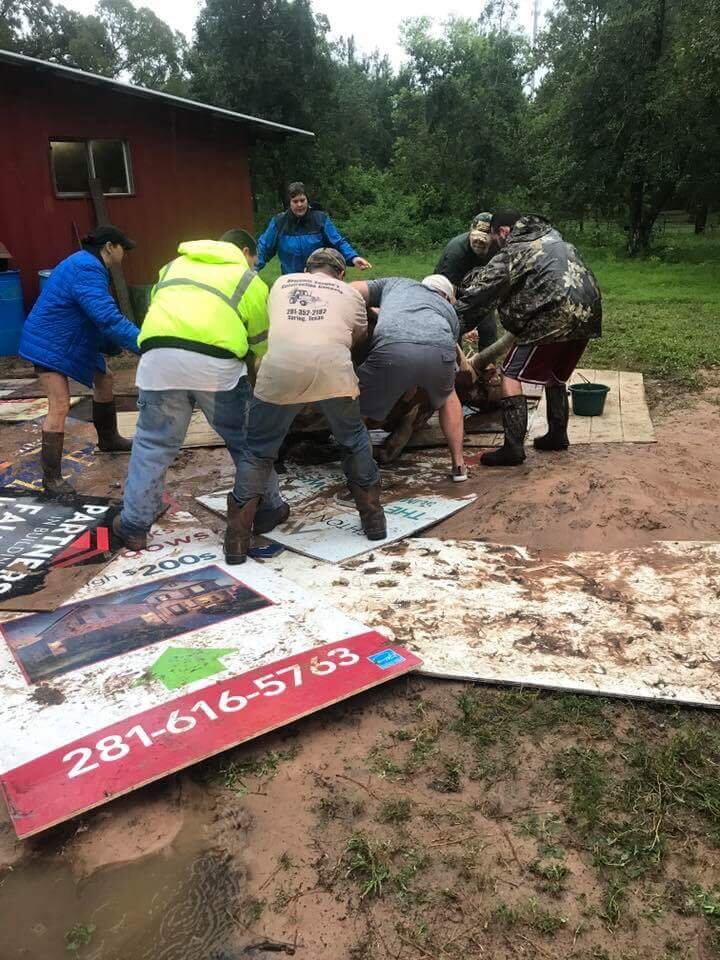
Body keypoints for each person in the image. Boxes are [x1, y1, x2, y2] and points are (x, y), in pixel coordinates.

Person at [113, 229, 287, 551]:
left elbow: (160, 311)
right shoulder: (248, 280)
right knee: (246, 442)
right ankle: (269, 508)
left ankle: (134, 525)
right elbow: (260, 345)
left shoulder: (172, 266)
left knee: (152, 444)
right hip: (216, 368)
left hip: (158, 360)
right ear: (247, 252)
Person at [225, 248, 385, 564]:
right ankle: (374, 520)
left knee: (257, 452)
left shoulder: (282, 282)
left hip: (280, 369)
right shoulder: (350, 293)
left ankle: (236, 540)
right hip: (332, 368)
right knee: (353, 441)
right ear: (341, 274)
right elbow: (358, 337)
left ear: (307, 269)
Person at [456, 210, 602, 468]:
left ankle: (512, 449)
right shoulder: (554, 238)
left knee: (511, 375)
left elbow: (479, 293)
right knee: (555, 375)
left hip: (551, 315)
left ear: (502, 231)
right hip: (587, 313)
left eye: (493, 236)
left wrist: (453, 321)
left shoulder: (514, 250)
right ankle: (557, 435)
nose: (495, 243)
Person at [18, 225, 140, 496]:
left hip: (69, 338)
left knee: (104, 378)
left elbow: (94, 314)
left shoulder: (87, 264)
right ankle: (51, 479)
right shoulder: (87, 268)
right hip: (49, 343)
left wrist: (111, 345)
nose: (126, 254)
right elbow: (106, 317)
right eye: (124, 248)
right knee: (59, 404)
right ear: (110, 247)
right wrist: (144, 344)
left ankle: (108, 439)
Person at [351, 274, 468, 481]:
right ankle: (459, 465)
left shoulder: (394, 283)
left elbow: (350, 291)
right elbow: (451, 347)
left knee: (354, 408)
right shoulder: (449, 309)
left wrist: (374, 312)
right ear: (447, 297)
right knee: (449, 396)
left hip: (392, 348)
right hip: (438, 350)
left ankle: (363, 470)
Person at [255, 181, 372, 276]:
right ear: (289, 203)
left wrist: (353, 258)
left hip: (319, 279)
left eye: (302, 200)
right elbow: (264, 247)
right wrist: (253, 269)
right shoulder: (278, 222)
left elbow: (338, 242)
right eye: (295, 201)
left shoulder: (320, 219)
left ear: (307, 200)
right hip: (291, 280)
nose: (299, 205)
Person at [436, 212, 498, 350]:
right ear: (471, 230)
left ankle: (485, 368)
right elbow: (446, 290)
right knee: (453, 327)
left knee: (489, 329)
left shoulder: (498, 249)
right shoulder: (456, 252)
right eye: (476, 238)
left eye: (484, 239)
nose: (479, 242)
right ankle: (455, 367)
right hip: (449, 293)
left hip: (479, 293)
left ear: (493, 237)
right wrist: (466, 322)